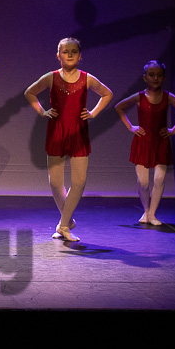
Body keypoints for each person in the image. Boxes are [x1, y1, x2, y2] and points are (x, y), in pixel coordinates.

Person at [23, 37, 112, 242]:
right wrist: (42, 111)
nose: (70, 54)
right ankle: (67, 221)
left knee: (79, 181)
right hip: (57, 131)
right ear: (58, 56)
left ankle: (63, 225)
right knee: (55, 182)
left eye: (74, 51)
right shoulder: (51, 77)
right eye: (65, 51)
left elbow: (107, 94)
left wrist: (93, 112)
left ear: (80, 56)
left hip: (78, 132)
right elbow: (30, 92)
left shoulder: (87, 78)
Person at [114, 60, 175, 226]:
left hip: (160, 142)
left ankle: (153, 214)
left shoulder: (168, 97)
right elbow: (119, 107)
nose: (155, 78)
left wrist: (173, 130)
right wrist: (131, 127)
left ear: (163, 77)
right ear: (145, 77)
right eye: (151, 75)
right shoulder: (139, 97)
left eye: (159, 75)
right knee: (143, 182)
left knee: (159, 179)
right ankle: (146, 210)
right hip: (142, 142)